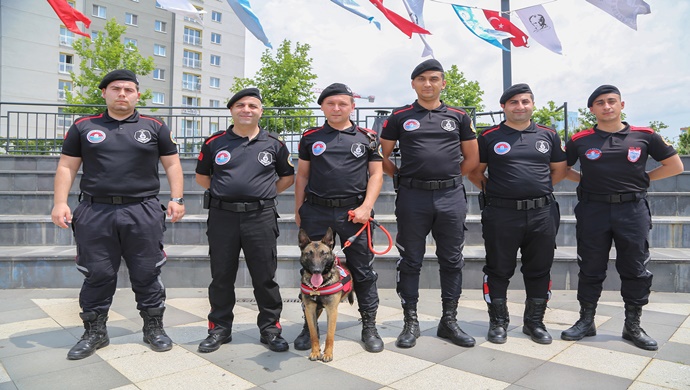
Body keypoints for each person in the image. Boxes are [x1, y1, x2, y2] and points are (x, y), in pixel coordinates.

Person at [51, 69, 186, 360]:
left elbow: (173, 165)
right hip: (95, 210)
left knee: (147, 272)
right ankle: (95, 332)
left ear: (137, 94)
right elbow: (66, 166)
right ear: (104, 93)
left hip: (143, 209)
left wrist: (176, 198)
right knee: (97, 272)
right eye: (115, 89)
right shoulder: (83, 126)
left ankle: (154, 328)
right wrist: (59, 202)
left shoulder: (155, 126)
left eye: (128, 89)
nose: (122, 94)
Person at [561, 85, 684, 350]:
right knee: (590, 267)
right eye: (600, 103)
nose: (606, 107)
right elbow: (562, 169)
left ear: (621, 105)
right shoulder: (580, 139)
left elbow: (675, 165)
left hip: (632, 211)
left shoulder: (645, 136)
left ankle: (632, 325)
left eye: (611, 101)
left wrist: (642, 180)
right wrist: (586, 180)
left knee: (635, 268)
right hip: (593, 210)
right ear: (592, 109)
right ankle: (586, 320)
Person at [380, 59, 479, 349]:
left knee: (452, 259)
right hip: (413, 197)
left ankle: (449, 321)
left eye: (434, 79)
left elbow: (471, 159)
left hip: (451, 197)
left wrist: (448, 179)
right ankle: (411, 322)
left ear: (443, 83)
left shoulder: (459, 117)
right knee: (411, 260)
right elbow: (382, 156)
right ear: (413, 83)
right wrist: (401, 177)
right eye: (421, 79)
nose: (427, 84)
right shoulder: (399, 117)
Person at [195, 88, 295, 353]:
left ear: (261, 111)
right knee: (221, 275)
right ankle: (219, 329)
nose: (246, 110)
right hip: (222, 217)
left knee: (265, 277)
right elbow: (202, 178)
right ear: (232, 110)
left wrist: (262, 193)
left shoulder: (274, 144)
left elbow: (287, 177)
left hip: (260, 217)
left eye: (253, 105)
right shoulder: (214, 142)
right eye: (240, 105)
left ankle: (271, 329)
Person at [468, 83, 566, 345]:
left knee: (539, 270)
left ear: (533, 104)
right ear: (504, 107)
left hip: (542, 214)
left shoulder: (549, 135)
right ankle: (498, 322)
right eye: (514, 102)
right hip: (502, 214)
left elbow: (559, 170)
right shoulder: (489, 136)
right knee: (499, 269)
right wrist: (500, 192)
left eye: (525, 101)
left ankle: (534, 323)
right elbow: (475, 172)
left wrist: (537, 191)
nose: (520, 106)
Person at [293, 83, 385, 353]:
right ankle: (309, 325)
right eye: (330, 103)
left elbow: (377, 175)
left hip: (354, 213)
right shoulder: (310, 137)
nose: (336, 108)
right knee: (312, 269)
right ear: (322, 107)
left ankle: (369, 325)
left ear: (352, 106)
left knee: (363, 271)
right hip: (317, 211)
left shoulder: (368, 137)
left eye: (342, 104)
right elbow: (302, 176)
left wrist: (367, 207)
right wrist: (299, 210)